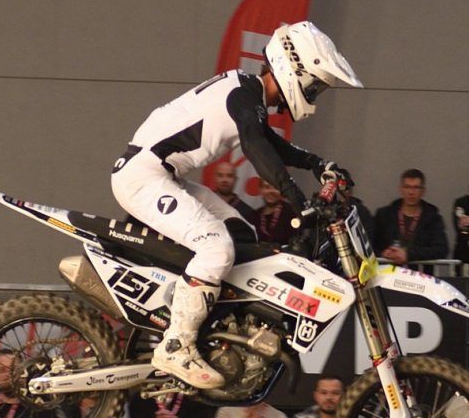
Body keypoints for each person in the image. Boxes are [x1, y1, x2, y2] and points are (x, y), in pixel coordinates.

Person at [112, 20, 358, 388]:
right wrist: (297, 201)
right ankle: (176, 344)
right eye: (314, 85)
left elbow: (268, 142)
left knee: (241, 232)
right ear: (294, 70)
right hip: (143, 177)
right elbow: (257, 149)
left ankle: (216, 328)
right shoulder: (244, 96)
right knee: (216, 247)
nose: (314, 94)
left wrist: (318, 164)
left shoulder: (247, 94)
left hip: (162, 176)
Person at [371, 169, 450, 267]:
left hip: (420, 274)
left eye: (416, 188)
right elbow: (371, 245)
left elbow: (441, 249)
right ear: (400, 189)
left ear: (423, 191)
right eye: (407, 187)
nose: (411, 192)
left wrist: (408, 254)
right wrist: (383, 253)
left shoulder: (432, 217)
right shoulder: (384, 215)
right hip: (389, 272)